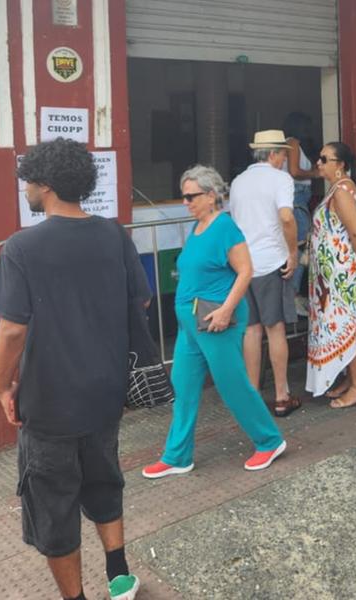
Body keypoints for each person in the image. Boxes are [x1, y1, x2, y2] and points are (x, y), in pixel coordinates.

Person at [0, 139, 143, 600]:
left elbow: (12, 330)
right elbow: (141, 300)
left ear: (46, 185)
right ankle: (119, 577)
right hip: (105, 392)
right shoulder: (114, 235)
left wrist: (1, 385)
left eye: (28, 182)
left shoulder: (21, 247)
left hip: (50, 399)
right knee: (104, 480)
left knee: (53, 503)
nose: (26, 190)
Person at [142, 165, 287, 479]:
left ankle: (269, 440)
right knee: (183, 386)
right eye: (184, 196)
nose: (186, 202)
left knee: (232, 384)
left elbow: (246, 271)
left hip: (214, 318)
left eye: (191, 196)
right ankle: (178, 455)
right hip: (192, 323)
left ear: (211, 196)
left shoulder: (225, 227)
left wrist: (225, 311)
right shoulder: (199, 227)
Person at [228, 130, 301, 417]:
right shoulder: (280, 179)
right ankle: (282, 395)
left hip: (244, 265)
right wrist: (293, 252)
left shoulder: (238, 182)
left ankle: (253, 395)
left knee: (251, 330)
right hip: (272, 261)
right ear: (272, 154)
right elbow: (286, 217)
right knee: (276, 328)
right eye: (283, 153)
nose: (284, 158)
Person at [308, 142, 356, 405]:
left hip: (339, 272)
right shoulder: (339, 189)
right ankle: (351, 378)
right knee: (342, 323)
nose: (319, 162)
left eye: (324, 158)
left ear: (341, 164)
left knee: (345, 324)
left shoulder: (342, 191)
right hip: (331, 272)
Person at [281, 112, 321, 312]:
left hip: (298, 196)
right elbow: (295, 171)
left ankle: (291, 294)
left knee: (298, 244)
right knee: (302, 245)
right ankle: (293, 294)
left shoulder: (289, 144)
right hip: (297, 196)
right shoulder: (294, 142)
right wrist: (315, 173)